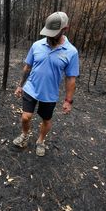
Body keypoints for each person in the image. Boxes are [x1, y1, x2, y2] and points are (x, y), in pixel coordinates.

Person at [13, 11, 79, 156]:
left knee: (46, 120)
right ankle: (25, 135)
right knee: (25, 117)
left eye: (53, 33)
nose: (49, 36)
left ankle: (40, 141)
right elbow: (27, 67)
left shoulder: (71, 52)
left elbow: (71, 79)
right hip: (31, 88)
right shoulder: (37, 45)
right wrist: (20, 85)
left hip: (49, 94)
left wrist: (68, 100)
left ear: (65, 29)